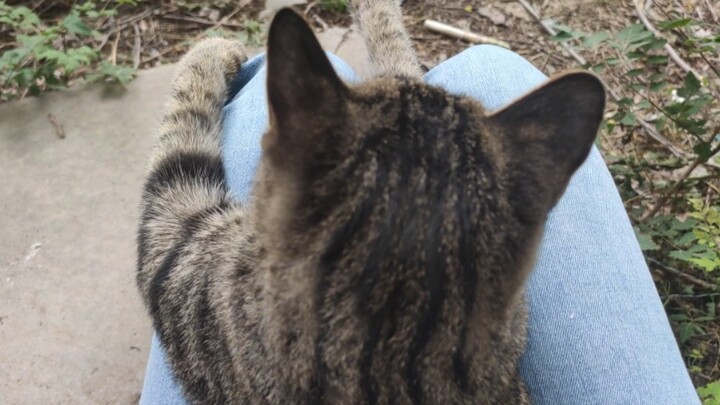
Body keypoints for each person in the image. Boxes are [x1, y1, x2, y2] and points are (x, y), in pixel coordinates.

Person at [138, 45, 700, 404]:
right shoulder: (496, 352)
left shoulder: (245, 315)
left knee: (309, 70)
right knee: (490, 69)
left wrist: (195, 81)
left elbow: (163, 233)